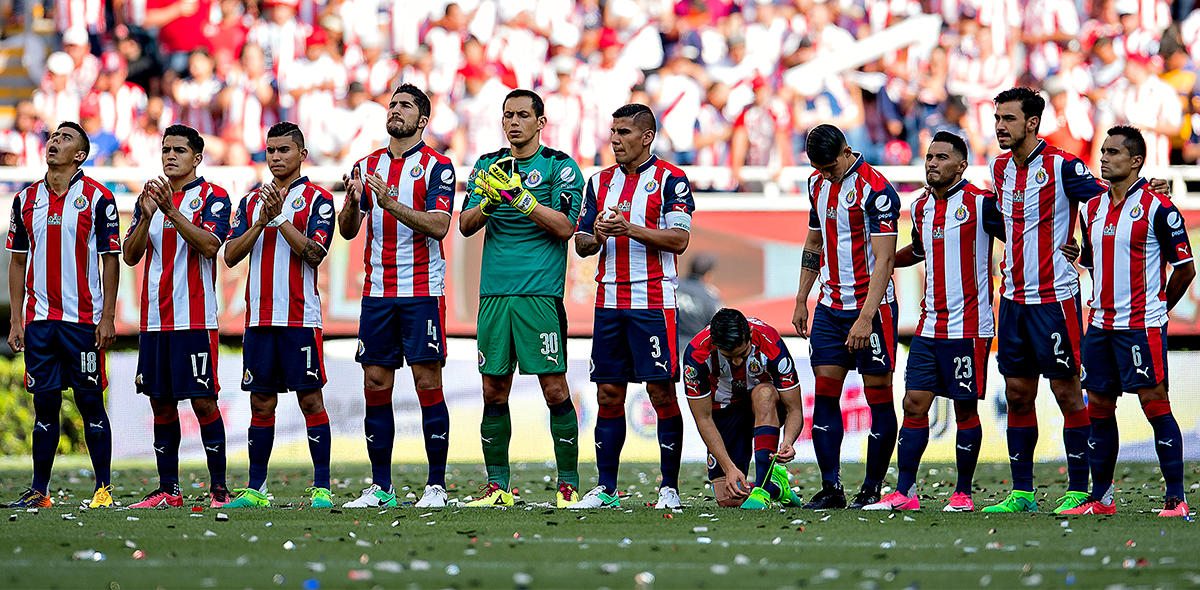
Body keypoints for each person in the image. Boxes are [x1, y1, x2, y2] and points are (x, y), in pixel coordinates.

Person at [864, 132, 1004, 512]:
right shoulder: (921, 205)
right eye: (929, 157)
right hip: (929, 326)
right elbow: (922, 249)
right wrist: (886, 260)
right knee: (913, 403)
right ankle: (905, 492)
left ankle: (962, 493)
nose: (932, 163)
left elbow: (1021, 235)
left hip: (970, 328)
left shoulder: (982, 204)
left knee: (964, 410)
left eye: (941, 157)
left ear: (961, 165)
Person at [458, 89, 585, 507]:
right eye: (508, 115)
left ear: (540, 122)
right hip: (494, 294)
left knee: (553, 389)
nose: (513, 122)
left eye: (522, 115)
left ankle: (567, 486)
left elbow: (566, 227)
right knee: (493, 390)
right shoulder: (487, 166)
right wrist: (492, 201)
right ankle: (497, 488)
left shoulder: (560, 167)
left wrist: (522, 199)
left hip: (539, 294)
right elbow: (465, 224)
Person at [984, 87, 1106, 514]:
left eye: (1009, 119)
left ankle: (1078, 488)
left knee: (1067, 392)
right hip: (1012, 300)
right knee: (1017, 394)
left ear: (1032, 123)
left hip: (1055, 300)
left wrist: (1086, 251)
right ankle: (1022, 493)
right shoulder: (1000, 168)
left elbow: (1107, 204)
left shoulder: (1063, 166)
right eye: (998, 118)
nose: (1000, 126)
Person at [568, 103, 694, 510]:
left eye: (623, 132)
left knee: (660, 392)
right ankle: (605, 488)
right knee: (608, 392)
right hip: (608, 303)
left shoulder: (671, 180)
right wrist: (599, 236)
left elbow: (679, 241)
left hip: (653, 302)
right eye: (613, 131)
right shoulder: (599, 182)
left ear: (647, 137)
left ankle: (669, 489)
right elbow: (582, 244)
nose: (615, 139)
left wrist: (629, 230)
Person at [1066, 126, 1195, 516]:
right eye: (1103, 151)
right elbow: (1093, 259)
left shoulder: (1159, 207)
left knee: (1154, 405)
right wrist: (1078, 254)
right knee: (1100, 407)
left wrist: (1158, 309)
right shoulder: (1091, 208)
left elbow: (1185, 269)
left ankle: (1176, 498)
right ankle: (1101, 497)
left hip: (1140, 325)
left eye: (1114, 152)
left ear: (1136, 160)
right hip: (1100, 325)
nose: (1103, 158)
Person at [338, 84, 454, 508]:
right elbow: (348, 230)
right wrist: (354, 202)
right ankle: (381, 486)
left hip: (422, 290)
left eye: (405, 106)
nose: (396, 111)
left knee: (427, 381)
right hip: (378, 292)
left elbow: (440, 226)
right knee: (375, 382)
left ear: (422, 120)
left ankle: (436, 487)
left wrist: (388, 203)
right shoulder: (366, 165)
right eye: (393, 105)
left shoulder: (438, 167)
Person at [3, 123, 120, 509]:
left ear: (81, 155)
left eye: (66, 138)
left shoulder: (98, 199)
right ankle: (39, 491)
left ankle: (103, 488)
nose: (54, 141)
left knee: (89, 402)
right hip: (39, 322)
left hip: (82, 322)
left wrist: (106, 316)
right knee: (45, 405)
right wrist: (17, 319)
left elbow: (109, 260)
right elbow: (18, 262)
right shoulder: (25, 199)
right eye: (53, 136)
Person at [222, 122, 336, 508]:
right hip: (258, 320)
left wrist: (279, 219)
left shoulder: (318, 199)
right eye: (270, 150)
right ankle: (257, 489)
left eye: (284, 150)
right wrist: (260, 221)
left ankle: (322, 486)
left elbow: (316, 253)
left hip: (300, 317)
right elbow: (231, 255)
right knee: (261, 403)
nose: (275, 157)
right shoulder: (251, 201)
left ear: (301, 155)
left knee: (310, 400)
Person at [121, 125, 231, 509]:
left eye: (179, 150)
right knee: (161, 403)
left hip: (195, 318)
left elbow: (210, 245)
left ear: (197, 158)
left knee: (203, 402)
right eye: (165, 149)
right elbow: (131, 255)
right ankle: (169, 490)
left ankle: (219, 490)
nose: (170, 155)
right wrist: (150, 213)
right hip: (155, 319)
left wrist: (170, 212)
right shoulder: (147, 198)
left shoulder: (214, 197)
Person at [791, 124, 900, 510]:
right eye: (818, 168)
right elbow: (814, 242)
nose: (825, 174)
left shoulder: (877, 191)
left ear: (846, 151)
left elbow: (886, 259)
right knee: (823, 397)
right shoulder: (816, 184)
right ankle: (831, 487)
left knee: (879, 399)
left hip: (873, 309)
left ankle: (871, 488)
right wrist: (802, 297)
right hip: (829, 307)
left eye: (830, 167)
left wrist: (866, 316)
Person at [682, 309, 804, 509]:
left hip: (765, 404)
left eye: (742, 354)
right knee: (730, 499)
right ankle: (776, 487)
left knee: (763, 394)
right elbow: (703, 419)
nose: (738, 362)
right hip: (724, 408)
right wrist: (729, 468)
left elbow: (794, 410)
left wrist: (788, 441)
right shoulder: (696, 354)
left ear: (749, 336)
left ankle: (763, 489)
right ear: (715, 345)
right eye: (729, 358)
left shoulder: (770, 342)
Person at [675, 253, 722, 352]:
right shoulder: (710, 295)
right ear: (708, 274)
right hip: (695, 349)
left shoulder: (674, 286)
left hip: (670, 344)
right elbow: (719, 327)